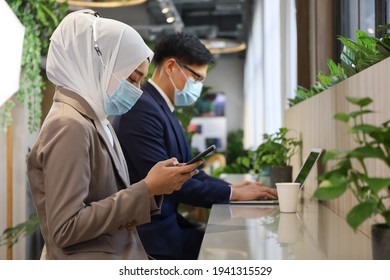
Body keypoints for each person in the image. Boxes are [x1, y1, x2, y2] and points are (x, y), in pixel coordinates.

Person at [27, 10, 201, 260]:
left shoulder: (97, 120)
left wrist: (153, 187)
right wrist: (147, 189)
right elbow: (66, 228)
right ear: (99, 65)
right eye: (132, 78)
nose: (138, 91)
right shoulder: (69, 125)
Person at [112, 33, 278, 260]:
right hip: (150, 235)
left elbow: (189, 171)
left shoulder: (160, 107)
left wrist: (232, 187)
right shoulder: (142, 109)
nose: (198, 86)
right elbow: (172, 181)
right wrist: (234, 193)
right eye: (196, 78)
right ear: (171, 66)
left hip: (168, 225)